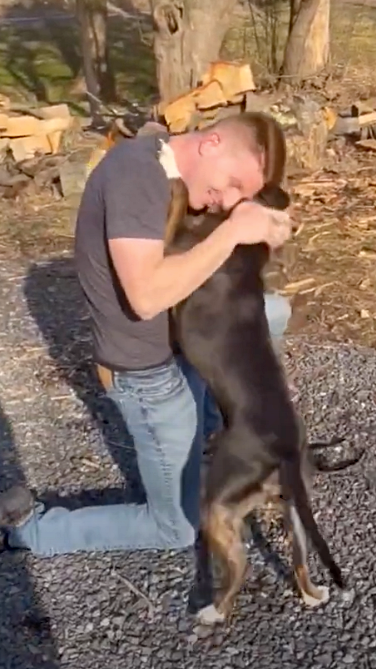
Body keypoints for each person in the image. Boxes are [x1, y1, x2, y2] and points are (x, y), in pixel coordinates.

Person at [0, 113, 294, 557]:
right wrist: (235, 231)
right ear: (212, 143)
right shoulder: (134, 175)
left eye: (243, 195)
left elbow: (203, 267)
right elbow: (147, 297)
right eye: (233, 184)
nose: (229, 201)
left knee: (273, 311)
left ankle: (211, 441)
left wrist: (260, 234)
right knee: (176, 529)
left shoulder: (175, 172)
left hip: (182, 342)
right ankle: (30, 530)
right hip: (148, 373)